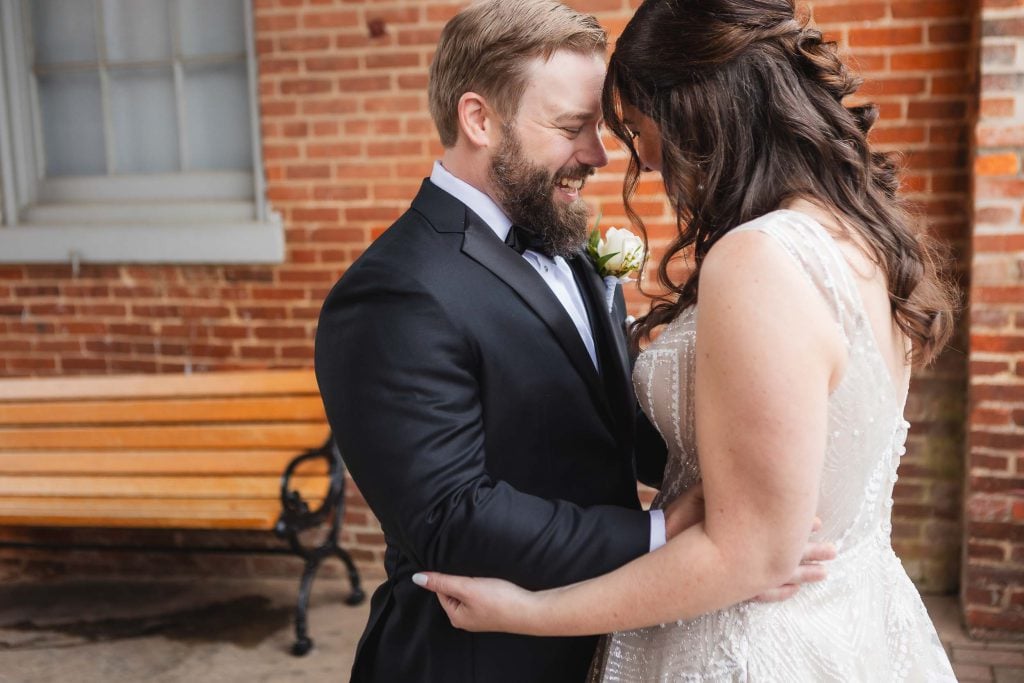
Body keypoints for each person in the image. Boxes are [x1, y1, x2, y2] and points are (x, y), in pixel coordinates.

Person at [413, 1, 960, 680]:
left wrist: (524, 608)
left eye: (638, 128)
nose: (630, 156)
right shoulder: (863, 237)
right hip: (854, 617)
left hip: (749, 643)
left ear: (699, 111)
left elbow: (750, 553)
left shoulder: (759, 258)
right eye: (577, 127)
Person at [314, 2, 830, 681]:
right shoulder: (395, 290)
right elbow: (450, 516)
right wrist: (658, 533)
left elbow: (612, 426)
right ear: (479, 119)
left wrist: (745, 528)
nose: (597, 153)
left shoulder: (567, 242)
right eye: (571, 127)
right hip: (476, 654)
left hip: (604, 635)